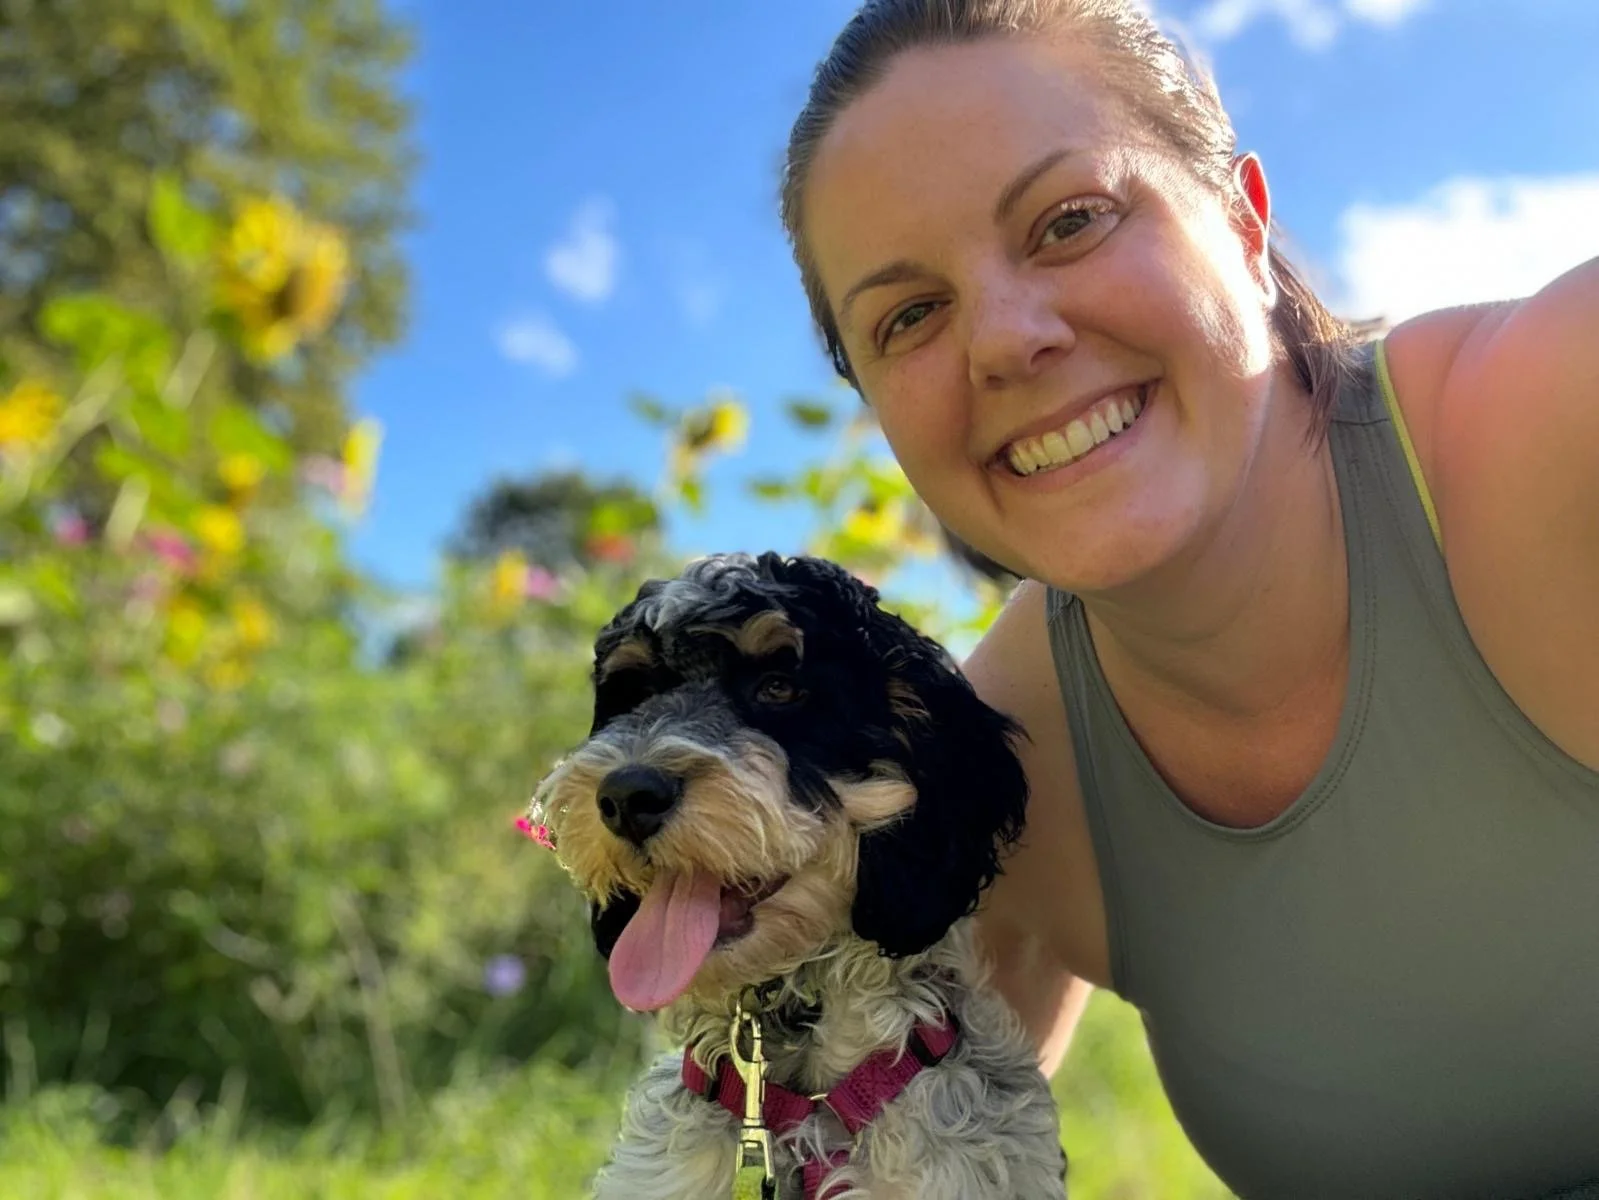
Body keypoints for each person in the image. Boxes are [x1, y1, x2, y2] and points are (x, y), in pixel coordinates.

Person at [779, 2, 1599, 1197]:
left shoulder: (1549, 423)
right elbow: (881, 1159)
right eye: (909, 316)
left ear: (1245, 220)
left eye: (1070, 221)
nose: (1004, 341)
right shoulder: (993, 768)